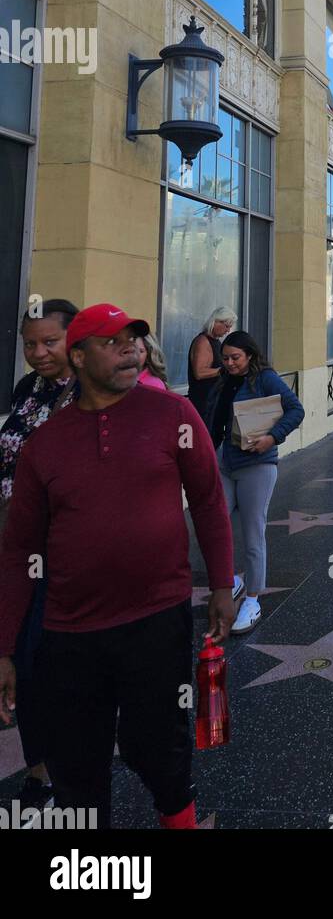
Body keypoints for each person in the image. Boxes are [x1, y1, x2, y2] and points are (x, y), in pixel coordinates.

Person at [0, 303, 235, 830]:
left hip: (158, 618)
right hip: (70, 630)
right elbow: (18, 550)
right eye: (111, 341)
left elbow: (208, 500)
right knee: (76, 765)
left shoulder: (173, 416)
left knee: (159, 748)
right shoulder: (47, 443)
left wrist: (222, 584)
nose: (129, 348)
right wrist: (5, 645)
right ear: (78, 357)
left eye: (133, 339)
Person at [0, 298, 79, 810]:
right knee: (22, 660)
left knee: (63, 662)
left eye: (50, 341)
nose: (38, 352)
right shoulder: (28, 389)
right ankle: (40, 772)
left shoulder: (96, 393)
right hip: (16, 545)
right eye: (30, 343)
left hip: (69, 553)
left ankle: (73, 767)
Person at [207, 331, 305, 635]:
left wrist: (272, 438)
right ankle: (232, 581)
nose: (230, 363)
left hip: (257, 465)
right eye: (225, 358)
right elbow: (214, 419)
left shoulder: (265, 378)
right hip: (225, 461)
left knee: (253, 533)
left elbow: (296, 409)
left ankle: (253, 598)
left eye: (235, 357)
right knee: (215, 526)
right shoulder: (224, 380)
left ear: (250, 355)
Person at [186, 306, 237, 416]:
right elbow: (199, 373)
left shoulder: (216, 342)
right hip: (202, 403)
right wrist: (223, 370)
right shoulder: (203, 342)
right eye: (227, 326)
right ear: (216, 322)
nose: (228, 331)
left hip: (212, 401)